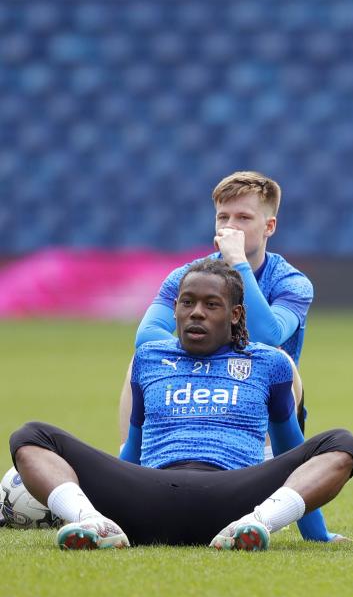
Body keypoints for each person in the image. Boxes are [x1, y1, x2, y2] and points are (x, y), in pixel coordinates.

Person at [10, 258, 353, 550]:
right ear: (175, 308)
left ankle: (257, 526)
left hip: (234, 495)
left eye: (211, 305)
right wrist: (116, 487)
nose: (196, 313)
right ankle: (93, 522)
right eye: (187, 302)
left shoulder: (270, 363)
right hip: (149, 493)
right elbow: (133, 450)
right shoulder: (148, 358)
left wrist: (315, 533)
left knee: (343, 445)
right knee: (31, 437)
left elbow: (292, 450)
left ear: (236, 315)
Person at [122, 171, 313, 441]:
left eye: (243, 218)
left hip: (258, 399)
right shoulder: (189, 277)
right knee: (139, 362)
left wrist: (238, 263)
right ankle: (133, 460)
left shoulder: (291, 282)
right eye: (223, 217)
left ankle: (274, 460)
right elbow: (147, 334)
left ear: (269, 226)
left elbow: (268, 338)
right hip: (192, 389)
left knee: (281, 361)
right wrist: (206, 362)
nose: (230, 227)